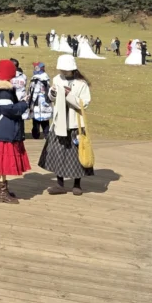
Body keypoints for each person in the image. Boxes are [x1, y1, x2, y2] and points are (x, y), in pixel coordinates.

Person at [38, 54, 93, 196]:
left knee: (76, 154)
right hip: (59, 122)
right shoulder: (57, 79)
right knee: (58, 153)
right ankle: (60, 183)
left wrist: (68, 95)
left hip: (75, 123)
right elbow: (51, 98)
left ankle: (77, 184)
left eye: (65, 70)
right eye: (61, 69)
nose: (63, 72)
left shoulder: (82, 84)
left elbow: (84, 104)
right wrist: (53, 93)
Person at [0, 59, 30, 204]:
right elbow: (8, 110)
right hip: (6, 130)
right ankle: (2, 192)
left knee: (0, 163)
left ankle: (1, 190)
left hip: (2, 130)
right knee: (2, 164)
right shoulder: (3, 91)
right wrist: (23, 104)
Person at [27, 62, 53, 140]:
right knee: (45, 121)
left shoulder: (35, 79)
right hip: (45, 102)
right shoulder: (46, 79)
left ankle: (36, 133)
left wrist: (30, 101)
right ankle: (46, 135)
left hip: (36, 103)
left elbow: (32, 92)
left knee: (36, 120)